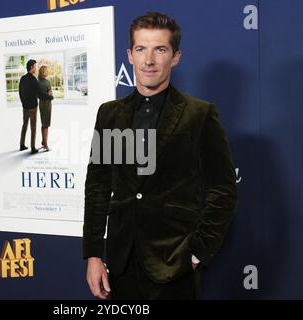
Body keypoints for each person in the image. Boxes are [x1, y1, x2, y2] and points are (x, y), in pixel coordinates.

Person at [82, 12, 238, 300]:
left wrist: (196, 252)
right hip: (120, 265)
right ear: (130, 55)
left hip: (174, 266)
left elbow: (223, 190)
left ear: (175, 57)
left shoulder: (199, 115)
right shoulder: (110, 114)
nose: (149, 60)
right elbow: (98, 187)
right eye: (141, 49)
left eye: (160, 49)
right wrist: (93, 254)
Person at [19, 59, 39, 154]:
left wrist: (23, 103)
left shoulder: (22, 78)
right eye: (35, 66)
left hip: (25, 107)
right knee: (33, 127)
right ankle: (33, 147)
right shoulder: (34, 80)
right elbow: (38, 94)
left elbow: (20, 92)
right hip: (33, 107)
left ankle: (22, 145)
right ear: (31, 67)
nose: (36, 68)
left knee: (24, 125)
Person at [37, 65, 54, 151]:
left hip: (47, 103)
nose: (48, 72)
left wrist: (50, 96)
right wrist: (49, 95)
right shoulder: (39, 82)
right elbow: (39, 95)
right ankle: (46, 145)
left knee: (44, 124)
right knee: (45, 125)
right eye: (47, 70)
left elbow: (50, 95)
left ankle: (44, 141)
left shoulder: (47, 81)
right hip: (44, 104)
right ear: (43, 72)